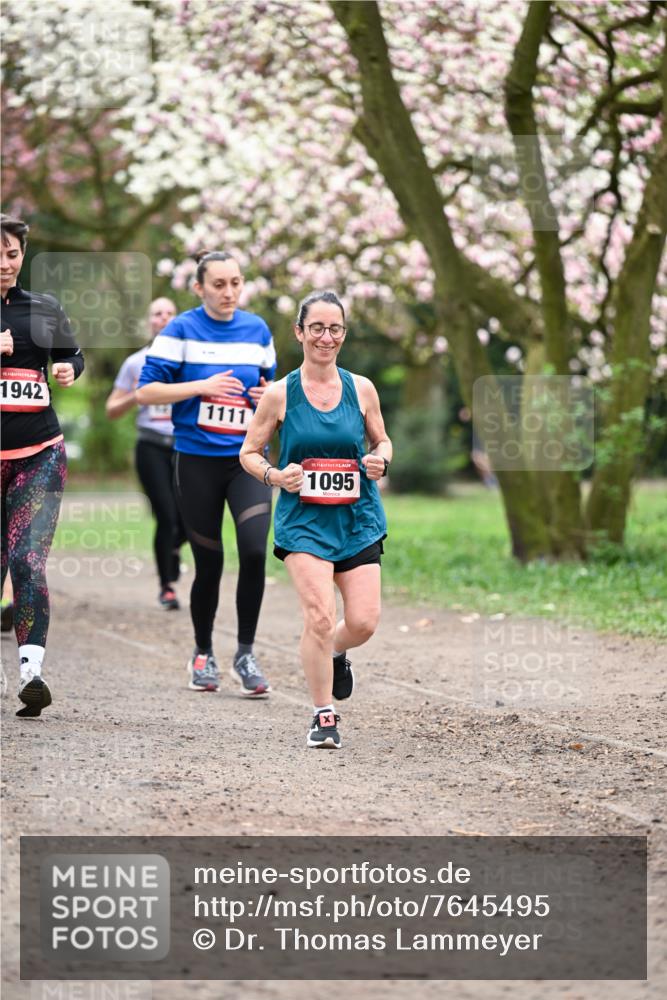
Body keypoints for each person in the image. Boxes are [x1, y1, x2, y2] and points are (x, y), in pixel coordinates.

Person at [240, 290, 391, 749]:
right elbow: (249, 452)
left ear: (344, 334)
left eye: (336, 329)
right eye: (318, 328)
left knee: (363, 622)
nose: (327, 337)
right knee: (320, 617)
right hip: (303, 520)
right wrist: (274, 475)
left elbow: (383, 442)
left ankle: (336, 653)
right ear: (300, 332)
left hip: (358, 516)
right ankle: (323, 715)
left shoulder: (362, 388)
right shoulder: (279, 393)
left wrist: (380, 460)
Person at [136, 251, 276, 696]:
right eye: (218, 284)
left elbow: (270, 391)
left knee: (255, 552)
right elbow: (146, 391)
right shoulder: (179, 331)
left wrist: (267, 394)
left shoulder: (257, 330)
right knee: (209, 563)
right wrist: (201, 386)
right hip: (196, 460)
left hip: (247, 460)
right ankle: (203, 653)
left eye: (235, 282)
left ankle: (245, 653)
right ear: (198, 288)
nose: (229, 292)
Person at [0, 213, 84, 717]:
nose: (4, 264)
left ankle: (32, 672)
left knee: (27, 562)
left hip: (39, 453)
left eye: (11, 254)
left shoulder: (43, 309)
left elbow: (74, 355)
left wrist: (67, 369)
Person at [106, 297, 187, 610]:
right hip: (151, 446)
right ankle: (166, 587)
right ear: (149, 321)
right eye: (157, 313)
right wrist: (135, 396)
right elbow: (112, 409)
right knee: (166, 515)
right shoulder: (136, 362)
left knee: (193, 519)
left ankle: (173, 551)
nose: (164, 318)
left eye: (170, 312)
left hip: (185, 447)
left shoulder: (190, 360)